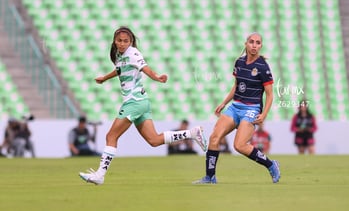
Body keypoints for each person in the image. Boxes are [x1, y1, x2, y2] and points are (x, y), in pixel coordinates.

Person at [79, 26, 207, 185]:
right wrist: (104, 78)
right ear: (114, 41)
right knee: (154, 140)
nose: (122, 43)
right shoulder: (120, 55)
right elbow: (119, 70)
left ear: (131, 41)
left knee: (111, 136)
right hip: (142, 102)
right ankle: (192, 133)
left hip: (134, 102)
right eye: (119, 40)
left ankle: (100, 175)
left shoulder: (132, 53)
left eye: (126, 41)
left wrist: (157, 77)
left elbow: (145, 68)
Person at [193, 32, 280, 184]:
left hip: (251, 109)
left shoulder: (262, 67)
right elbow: (236, 86)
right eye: (251, 42)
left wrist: (264, 114)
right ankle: (210, 177)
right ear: (246, 43)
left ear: (261, 46)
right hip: (235, 107)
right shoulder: (239, 62)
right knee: (214, 138)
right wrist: (224, 103)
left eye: (258, 43)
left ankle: (271, 164)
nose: (254, 45)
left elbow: (270, 95)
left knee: (239, 146)